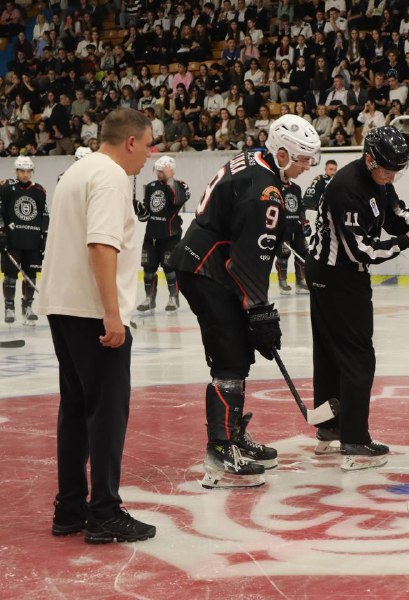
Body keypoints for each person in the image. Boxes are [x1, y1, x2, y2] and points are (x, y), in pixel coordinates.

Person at [167, 115, 321, 489]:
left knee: (237, 350)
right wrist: (260, 312)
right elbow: (248, 260)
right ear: (282, 153)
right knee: (231, 354)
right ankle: (221, 449)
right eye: (303, 159)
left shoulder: (257, 162)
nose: (307, 168)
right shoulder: (265, 192)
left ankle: (233, 434)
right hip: (208, 271)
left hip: (207, 264)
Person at [38, 107, 157, 543]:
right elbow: (101, 245)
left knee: (74, 409)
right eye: (147, 145)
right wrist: (113, 313)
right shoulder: (109, 177)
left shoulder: (77, 170)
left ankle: (70, 508)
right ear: (130, 142)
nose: (149, 154)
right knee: (107, 413)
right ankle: (104, 510)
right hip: (93, 312)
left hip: (62, 306)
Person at [306, 127, 409, 471]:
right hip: (337, 277)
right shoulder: (347, 189)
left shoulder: (379, 180)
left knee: (334, 352)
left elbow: (396, 215)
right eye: (388, 171)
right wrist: (407, 242)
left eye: (397, 171)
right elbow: (359, 250)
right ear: (369, 159)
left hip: (332, 275)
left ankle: (330, 426)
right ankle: (355, 439)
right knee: (357, 355)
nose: (392, 177)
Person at [134, 155, 190, 313]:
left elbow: (178, 199)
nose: (158, 174)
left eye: (161, 171)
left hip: (170, 236)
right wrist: (139, 209)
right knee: (148, 269)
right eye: (157, 170)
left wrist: (170, 179)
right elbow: (145, 215)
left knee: (170, 268)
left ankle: (173, 297)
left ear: (170, 171)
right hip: (151, 235)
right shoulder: (151, 186)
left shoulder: (181, 186)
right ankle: (149, 298)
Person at [0, 156, 48, 324]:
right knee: (10, 276)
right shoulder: (7, 188)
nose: (25, 174)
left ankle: (27, 307)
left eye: (28, 171)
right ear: (16, 171)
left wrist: (44, 238)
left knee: (31, 276)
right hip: (13, 241)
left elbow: (44, 215)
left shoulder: (40, 191)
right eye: (22, 171)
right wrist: (2, 234)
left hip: (33, 241)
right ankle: (9, 308)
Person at [275, 171, 310, 295]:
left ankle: (300, 282)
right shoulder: (275, 187)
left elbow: (301, 207)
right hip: (283, 228)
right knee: (283, 254)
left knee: (303, 253)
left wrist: (305, 223)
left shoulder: (296, 188)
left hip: (297, 227)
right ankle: (282, 282)